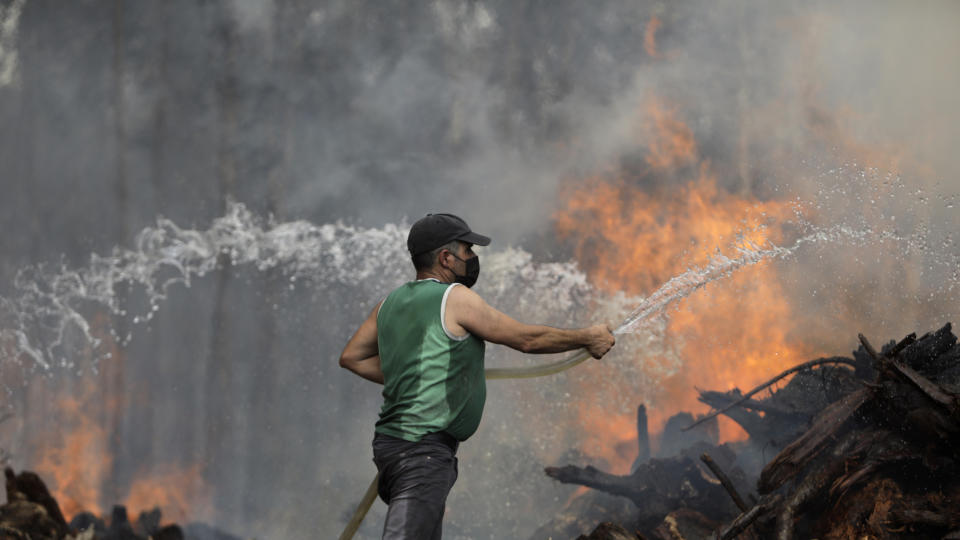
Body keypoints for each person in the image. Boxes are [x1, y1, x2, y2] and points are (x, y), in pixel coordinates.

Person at [339, 213, 616, 540]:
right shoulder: (454, 298)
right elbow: (526, 339)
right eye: (468, 251)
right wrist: (586, 337)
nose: (473, 259)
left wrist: (413, 375)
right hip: (421, 452)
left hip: (392, 447)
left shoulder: (389, 304)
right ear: (446, 257)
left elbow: (351, 357)